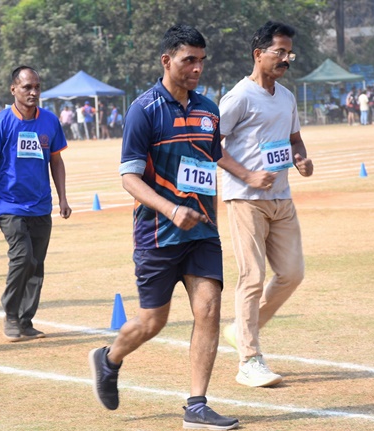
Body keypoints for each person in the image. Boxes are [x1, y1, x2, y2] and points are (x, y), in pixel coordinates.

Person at [88, 25, 239, 430]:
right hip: (157, 233)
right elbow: (129, 179)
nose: (197, 68)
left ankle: (196, 406)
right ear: (166, 61)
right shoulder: (144, 109)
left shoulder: (209, 109)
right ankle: (109, 358)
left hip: (203, 232)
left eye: (201, 60)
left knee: (208, 309)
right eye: (189, 59)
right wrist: (173, 210)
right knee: (152, 322)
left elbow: (212, 159)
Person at [218, 21, 313, 388]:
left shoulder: (287, 97)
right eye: (280, 52)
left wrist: (302, 160)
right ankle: (249, 360)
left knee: (292, 273)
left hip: (281, 197)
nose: (286, 59)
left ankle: (242, 327)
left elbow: (295, 140)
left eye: (289, 53)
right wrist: (246, 175)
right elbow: (212, 144)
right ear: (259, 54)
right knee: (252, 277)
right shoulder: (239, 96)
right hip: (245, 199)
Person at [0, 66, 71, 342]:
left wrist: (63, 197)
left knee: (36, 264)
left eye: (37, 87)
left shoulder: (50, 121)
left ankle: (26, 321)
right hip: (8, 204)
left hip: (41, 204)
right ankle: (10, 315)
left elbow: (56, 161)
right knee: (22, 257)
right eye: (27, 87)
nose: (33, 92)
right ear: (13, 89)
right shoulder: (1, 122)